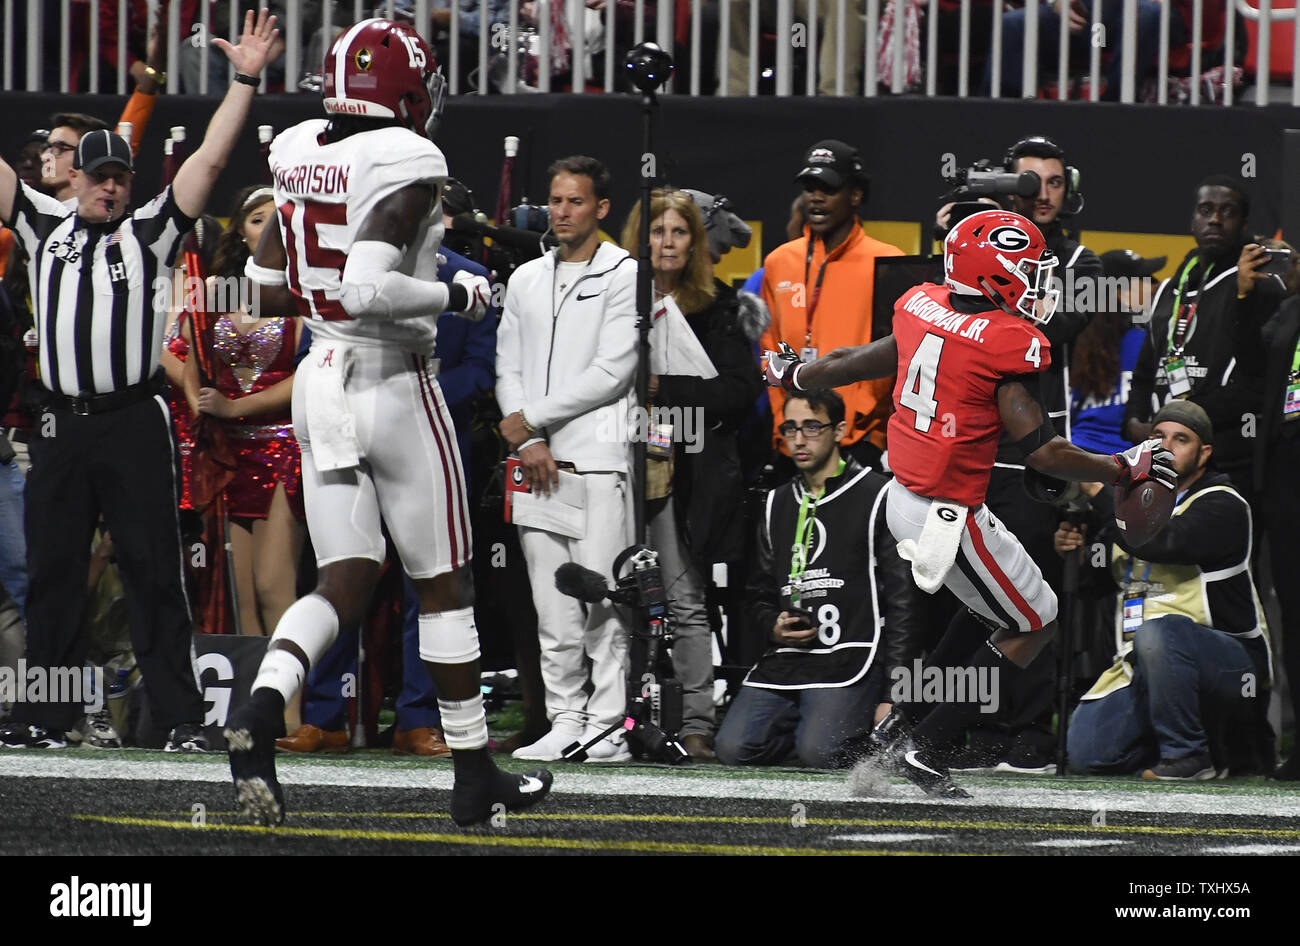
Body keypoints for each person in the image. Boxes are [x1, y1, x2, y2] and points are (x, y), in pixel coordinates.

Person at [228, 16, 552, 827]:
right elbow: (371, 286)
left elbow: (262, 287)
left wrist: (326, 282)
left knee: (342, 577)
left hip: (319, 378)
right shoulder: (407, 156)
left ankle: (264, 708)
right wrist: (459, 292)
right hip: (393, 381)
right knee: (444, 585)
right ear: (406, 93)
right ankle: (474, 773)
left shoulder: (298, 147)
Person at [764, 209, 1177, 796]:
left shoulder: (920, 305)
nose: (1037, 284)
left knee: (989, 605)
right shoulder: (1008, 341)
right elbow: (1041, 450)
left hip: (902, 496)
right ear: (993, 274)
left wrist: (796, 373)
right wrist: (1120, 466)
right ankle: (928, 750)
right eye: (1027, 270)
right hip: (947, 512)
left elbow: (852, 362)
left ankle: (905, 723)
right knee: (1036, 621)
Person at [0, 9, 282, 753]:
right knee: (54, 576)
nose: (111, 190)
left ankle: (183, 720)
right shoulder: (39, 223)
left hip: (131, 420)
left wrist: (245, 79)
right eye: (101, 178)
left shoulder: (151, 231)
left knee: (154, 571)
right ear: (77, 178)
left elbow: (211, 166)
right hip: (59, 422)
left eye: (122, 177)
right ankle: (43, 717)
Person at [495, 155, 638, 763]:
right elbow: (509, 366)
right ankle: (564, 719)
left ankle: (607, 725)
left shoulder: (625, 273)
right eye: (555, 201)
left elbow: (615, 370)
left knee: (604, 599)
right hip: (536, 461)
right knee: (552, 608)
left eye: (575, 201)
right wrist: (528, 440)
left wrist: (534, 420)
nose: (561, 212)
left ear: (601, 209)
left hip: (599, 459)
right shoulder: (526, 277)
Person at [619, 188, 764, 759]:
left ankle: (697, 723)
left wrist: (664, 390)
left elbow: (741, 390)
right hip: (617, 462)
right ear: (641, 239)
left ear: (695, 241)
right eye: (657, 232)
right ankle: (609, 717)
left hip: (690, 474)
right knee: (616, 593)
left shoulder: (721, 308)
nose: (668, 242)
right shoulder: (613, 298)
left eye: (679, 232)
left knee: (684, 600)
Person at [1057, 401, 1271, 779]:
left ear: (1204, 453)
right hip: (1147, 664)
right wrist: (1075, 552)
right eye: (1158, 437)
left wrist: (1097, 487)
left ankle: (1188, 756)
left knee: (1158, 632)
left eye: (1181, 439)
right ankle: (1183, 746)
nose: (1167, 446)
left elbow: (1164, 542)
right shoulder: (1134, 506)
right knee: (1086, 753)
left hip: (1230, 663)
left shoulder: (1224, 503)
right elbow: (1097, 581)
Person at [717, 389, 923, 768]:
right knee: (732, 749)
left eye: (812, 427)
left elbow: (904, 602)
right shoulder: (774, 501)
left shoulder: (878, 494)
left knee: (819, 753)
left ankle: (849, 737)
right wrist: (772, 626)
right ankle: (820, 728)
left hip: (853, 654)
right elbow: (758, 595)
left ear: (840, 430)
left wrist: (894, 693)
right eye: (790, 428)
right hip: (789, 657)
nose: (798, 439)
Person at [185, 186, 306, 643]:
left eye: (279, 218)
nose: (271, 227)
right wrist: (203, 402)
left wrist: (235, 406)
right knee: (240, 602)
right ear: (239, 232)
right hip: (227, 456)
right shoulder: (216, 292)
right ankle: (258, 713)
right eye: (258, 219)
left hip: (283, 449)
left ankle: (294, 715)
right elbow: (192, 363)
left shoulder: (302, 292)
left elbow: (307, 376)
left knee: (274, 589)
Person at [1124, 177, 1285, 515]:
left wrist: (1183, 422)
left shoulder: (1259, 287)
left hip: (1225, 459)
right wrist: (1135, 421)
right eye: (1206, 210)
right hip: (1162, 456)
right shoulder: (1170, 289)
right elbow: (1144, 372)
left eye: (1227, 211)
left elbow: (1255, 383)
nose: (1215, 219)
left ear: (1243, 223)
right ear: (1193, 220)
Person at [760, 140, 903, 473]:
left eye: (828, 188)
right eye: (810, 187)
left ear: (855, 196)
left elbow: (897, 352)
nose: (816, 197)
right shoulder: (779, 261)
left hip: (859, 440)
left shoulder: (887, 261)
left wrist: (858, 422)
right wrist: (787, 424)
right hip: (793, 441)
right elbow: (771, 348)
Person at [1252, 246, 1300, 780]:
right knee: (1295, 613)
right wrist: (1247, 298)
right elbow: (1251, 357)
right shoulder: (1287, 312)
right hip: (1287, 484)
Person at [1069, 250, 1164, 454]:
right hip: (1116, 460)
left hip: (1081, 457)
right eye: (1146, 279)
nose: (1156, 286)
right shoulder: (1145, 341)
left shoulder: (1074, 337)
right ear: (1119, 292)